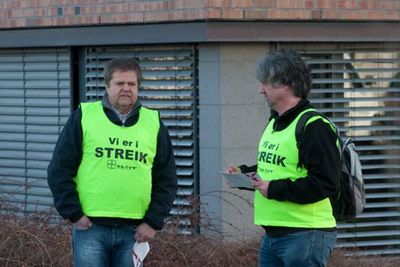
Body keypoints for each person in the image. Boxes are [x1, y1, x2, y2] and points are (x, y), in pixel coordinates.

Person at [47, 58, 177, 267]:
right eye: (119, 83)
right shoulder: (84, 117)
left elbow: (167, 178)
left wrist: (153, 222)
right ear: (107, 86)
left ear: (138, 87)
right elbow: (59, 169)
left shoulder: (153, 123)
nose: (126, 89)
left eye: (131, 84)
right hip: (90, 228)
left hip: (135, 231)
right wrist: (73, 213)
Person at [227, 49, 340, 267]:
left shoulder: (314, 127)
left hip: (306, 234)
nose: (260, 90)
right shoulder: (274, 123)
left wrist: (274, 189)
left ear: (285, 84)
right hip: (274, 236)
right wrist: (244, 173)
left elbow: (326, 183)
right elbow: (275, 167)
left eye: (266, 83)